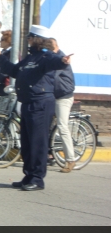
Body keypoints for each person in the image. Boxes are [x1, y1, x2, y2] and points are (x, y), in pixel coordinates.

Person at [0, 25, 72, 191]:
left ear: (37, 39)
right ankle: (28, 176)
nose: (27, 38)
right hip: (28, 103)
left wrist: (63, 61)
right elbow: (14, 70)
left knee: (38, 143)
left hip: (41, 104)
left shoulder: (46, 56)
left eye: (30, 36)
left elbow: (56, 62)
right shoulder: (30, 58)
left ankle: (37, 179)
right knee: (27, 143)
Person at [50, 38, 76, 173]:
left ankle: (70, 159)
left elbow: (51, 75)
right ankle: (48, 153)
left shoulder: (60, 58)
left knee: (62, 126)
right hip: (53, 95)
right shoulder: (53, 58)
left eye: (50, 49)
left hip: (63, 96)